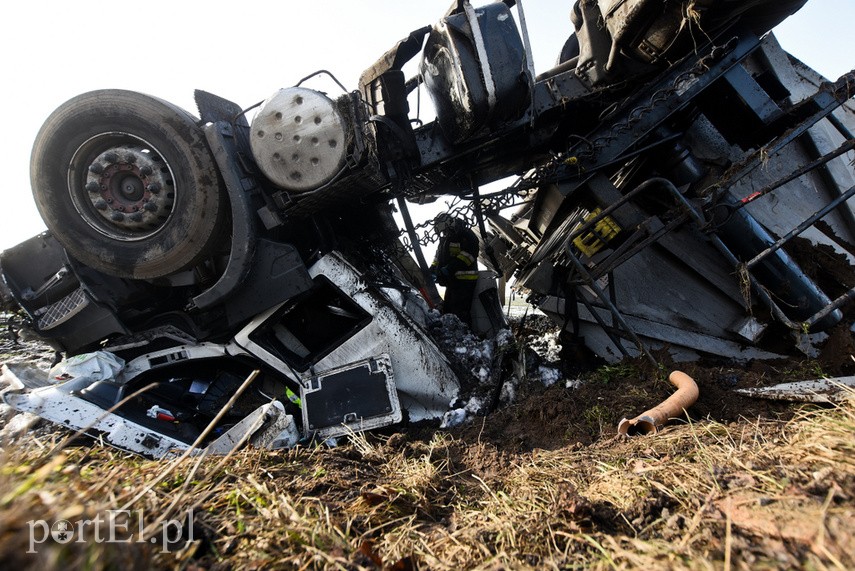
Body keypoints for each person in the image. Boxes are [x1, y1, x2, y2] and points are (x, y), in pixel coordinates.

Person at [430, 214, 480, 326]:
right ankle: (453, 334)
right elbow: (438, 257)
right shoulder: (446, 238)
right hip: (453, 280)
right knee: (448, 310)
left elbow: (469, 255)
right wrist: (433, 269)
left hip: (465, 280)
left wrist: (449, 268)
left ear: (448, 225)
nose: (444, 233)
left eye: (444, 231)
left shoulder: (466, 235)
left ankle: (467, 336)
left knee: (460, 312)